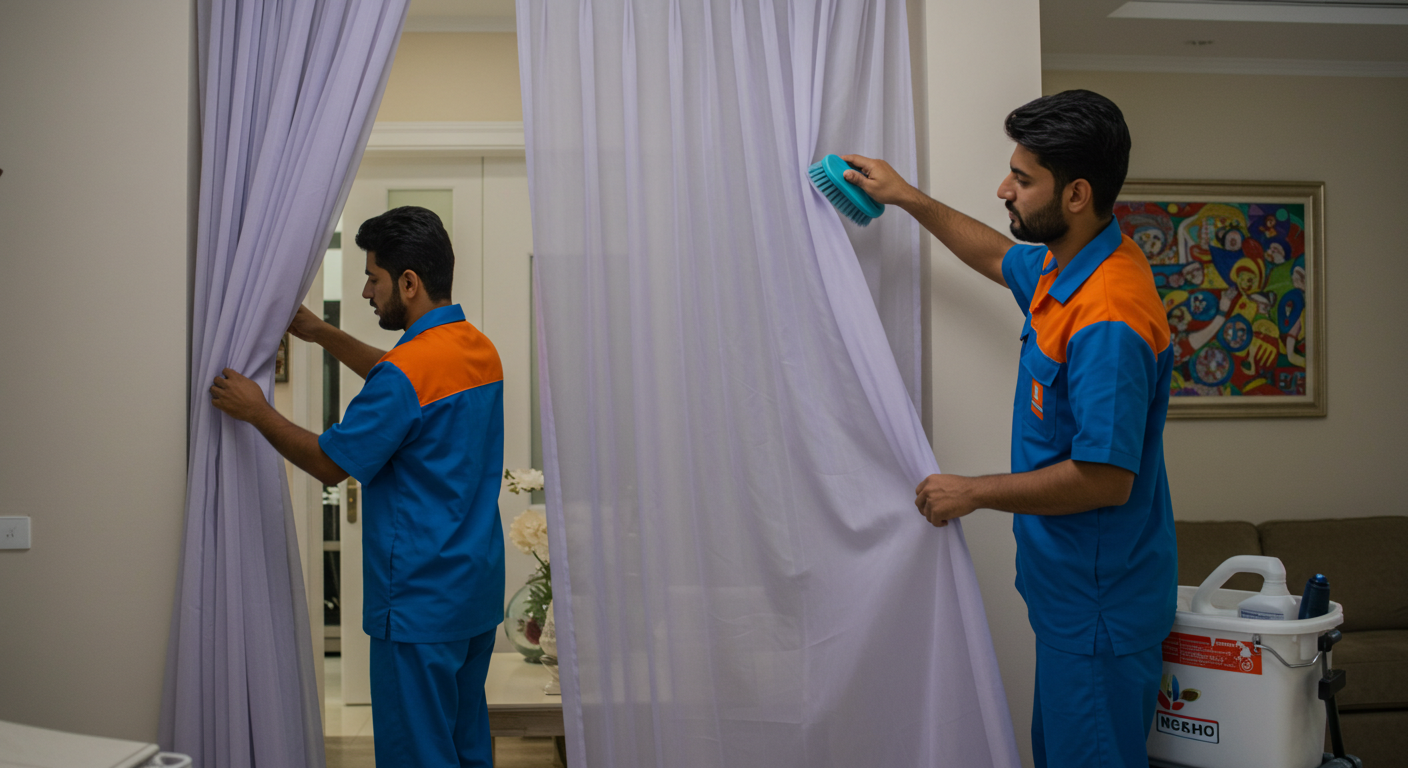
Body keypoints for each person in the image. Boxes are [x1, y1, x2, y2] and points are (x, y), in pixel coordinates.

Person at [843, 90, 1177, 768]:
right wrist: (905, 197)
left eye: (1023, 179)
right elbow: (1000, 258)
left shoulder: (1108, 317)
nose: (1004, 188)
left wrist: (972, 491)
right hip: (1070, 603)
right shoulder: (1069, 263)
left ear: (1076, 194)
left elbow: (1106, 480)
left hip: (1098, 613)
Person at [209, 206, 506, 768]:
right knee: (465, 751)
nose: (367, 291)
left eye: (373, 278)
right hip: (473, 596)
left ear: (409, 283)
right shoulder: (475, 349)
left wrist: (257, 411)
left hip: (418, 605)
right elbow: (400, 376)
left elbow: (329, 464)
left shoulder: (406, 374)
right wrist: (321, 333)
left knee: (419, 758)